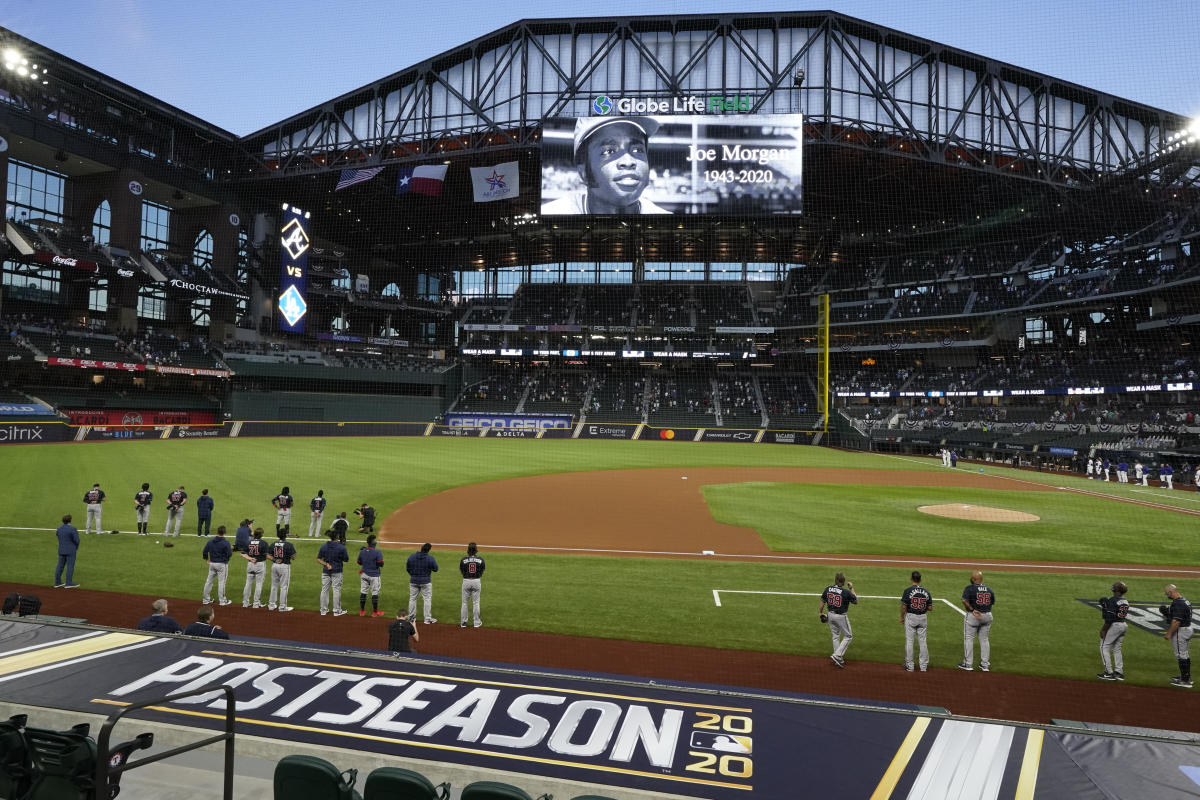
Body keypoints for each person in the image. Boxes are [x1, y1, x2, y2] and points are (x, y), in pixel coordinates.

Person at [541, 116, 669, 215]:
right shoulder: (553, 215)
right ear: (583, 173)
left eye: (637, 150)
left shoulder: (666, 223)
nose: (628, 161)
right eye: (609, 151)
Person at [958, 571, 994, 672]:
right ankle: (985, 665)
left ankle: (968, 664)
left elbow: (964, 600)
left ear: (974, 579)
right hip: (987, 616)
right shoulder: (989, 589)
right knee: (984, 639)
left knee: (968, 638)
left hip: (974, 616)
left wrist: (972, 609)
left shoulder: (970, 588)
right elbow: (992, 602)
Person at [818, 572, 856, 667]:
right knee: (848, 636)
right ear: (843, 582)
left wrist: (820, 613)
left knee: (835, 636)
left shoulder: (828, 589)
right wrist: (851, 588)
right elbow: (856, 601)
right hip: (841, 616)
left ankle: (838, 660)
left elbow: (822, 602)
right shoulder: (846, 592)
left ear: (835, 580)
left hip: (830, 615)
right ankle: (837, 655)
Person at [900, 571, 932, 672]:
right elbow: (930, 608)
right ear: (920, 579)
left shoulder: (908, 591)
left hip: (911, 617)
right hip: (923, 617)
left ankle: (910, 666)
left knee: (909, 641)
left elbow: (904, 606)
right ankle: (923, 666)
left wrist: (902, 617)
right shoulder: (926, 591)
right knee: (922, 641)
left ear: (911, 578)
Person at [1097, 581, 1129, 681]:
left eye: (1114, 586)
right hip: (1123, 625)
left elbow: (1109, 618)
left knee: (1104, 646)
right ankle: (1119, 672)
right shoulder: (1125, 601)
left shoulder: (1113, 600)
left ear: (1117, 590)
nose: (1113, 587)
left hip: (1114, 625)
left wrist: (1103, 630)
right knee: (1117, 648)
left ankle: (1108, 672)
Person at [1164, 584, 1193, 688]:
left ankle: (1185, 681)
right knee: (1184, 654)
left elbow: (1176, 622)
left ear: (1171, 592)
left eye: (1167, 593)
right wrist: (1167, 614)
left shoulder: (1178, 603)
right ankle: (1186, 676)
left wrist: (1169, 633)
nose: (1166, 595)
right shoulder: (1184, 600)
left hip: (1181, 631)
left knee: (1181, 655)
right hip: (1187, 629)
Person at [318, 529, 349, 616]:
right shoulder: (341, 547)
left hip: (325, 571)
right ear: (337, 537)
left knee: (324, 590)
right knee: (336, 590)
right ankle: (337, 611)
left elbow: (318, 559)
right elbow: (346, 559)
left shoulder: (324, 546)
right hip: (337, 571)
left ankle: (323, 610)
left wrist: (326, 564)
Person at [200, 525, 233, 606]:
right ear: (224, 533)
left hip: (212, 564)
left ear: (217, 532)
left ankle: (205, 600)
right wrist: (226, 560)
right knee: (222, 582)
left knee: (209, 581)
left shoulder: (210, 541)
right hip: (222, 564)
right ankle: (222, 601)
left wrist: (206, 559)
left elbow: (204, 551)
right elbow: (229, 554)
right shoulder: (226, 543)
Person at [406, 542, 438, 624]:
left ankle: (411, 618)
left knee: (412, 599)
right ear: (428, 550)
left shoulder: (411, 557)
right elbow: (436, 569)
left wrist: (413, 575)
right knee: (427, 599)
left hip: (413, 581)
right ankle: (427, 619)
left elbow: (408, 568)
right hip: (425, 582)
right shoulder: (430, 558)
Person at [267, 529, 296, 612]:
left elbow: (268, 555)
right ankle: (282, 607)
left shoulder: (273, 544)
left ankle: (271, 605)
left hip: (275, 565)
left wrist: (275, 560)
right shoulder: (289, 545)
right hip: (284, 566)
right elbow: (293, 557)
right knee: (284, 587)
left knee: (274, 585)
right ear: (286, 535)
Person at [358, 534, 385, 617]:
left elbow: (359, 562)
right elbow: (381, 564)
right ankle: (375, 612)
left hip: (364, 574)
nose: (376, 541)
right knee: (374, 592)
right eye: (375, 540)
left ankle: (362, 611)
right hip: (374, 575)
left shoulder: (362, 551)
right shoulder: (377, 552)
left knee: (363, 591)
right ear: (373, 542)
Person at [460, 542, 486, 628]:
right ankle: (476, 623)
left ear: (468, 550)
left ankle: (463, 623)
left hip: (466, 581)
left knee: (464, 603)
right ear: (476, 550)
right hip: (476, 581)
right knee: (476, 603)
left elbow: (462, 571)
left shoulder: (463, 560)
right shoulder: (481, 560)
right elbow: (482, 570)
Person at [241, 527, 268, 608]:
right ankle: (256, 603)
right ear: (261, 535)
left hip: (250, 564)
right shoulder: (264, 543)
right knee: (259, 584)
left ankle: (245, 603)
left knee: (248, 583)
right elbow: (266, 555)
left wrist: (250, 558)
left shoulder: (248, 542)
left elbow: (242, 553)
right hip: (259, 564)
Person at [53, 514, 80, 589]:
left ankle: (57, 582)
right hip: (71, 550)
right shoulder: (72, 529)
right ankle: (68, 583)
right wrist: (75, 547)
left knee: (59, 566)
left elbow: (58, 536)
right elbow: (77, 540)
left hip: (61, 549)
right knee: (70, 566)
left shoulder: (59, 529)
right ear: (70, 520)